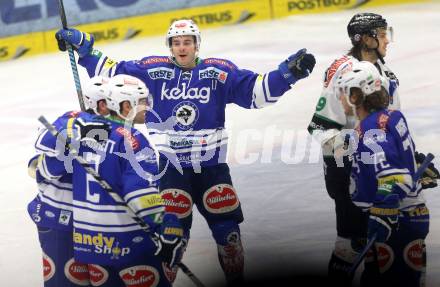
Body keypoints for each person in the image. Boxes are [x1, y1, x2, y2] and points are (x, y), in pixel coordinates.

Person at [55, 19, 316, 285]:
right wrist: (85, 50)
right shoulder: (152, 70)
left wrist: (287, 74)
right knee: (171, 236)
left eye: (187, 42)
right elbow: (113, 76)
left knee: (229, 235)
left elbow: (256, 93)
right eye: (176, 43)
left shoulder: (219, 72)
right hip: (171, 170)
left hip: (211, 168)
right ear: (170, 46)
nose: (182, 48)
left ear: (197, 45)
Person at [28, 74, 185, 287]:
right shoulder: (132, 139)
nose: (146, 107)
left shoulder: (81, 128)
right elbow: (139, 195)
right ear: (115, 104)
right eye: (141, 102)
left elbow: (42, 167)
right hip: (126, 240)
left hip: (89, 242)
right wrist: (163, 224)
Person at [306, 12, 401, 284]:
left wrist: (406, 158)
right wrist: (360, 149)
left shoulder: (386, 72)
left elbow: (390, 123)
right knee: (353, 243)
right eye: (382, 35)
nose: (387, 41)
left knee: (381, 239)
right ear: (366, 39)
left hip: (378, 166)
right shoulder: (344, 72)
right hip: (346, 168)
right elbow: (320, 128)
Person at [336, 60, 431, 287]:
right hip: (405, 216)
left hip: (396, 220)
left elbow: (390, 175)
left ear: (358, 95)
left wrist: (384, 207)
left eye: (345, 91)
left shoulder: (371, 128)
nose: (341, 98)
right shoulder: (389, 117)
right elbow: (398, 161)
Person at [27, 76, 112, 286]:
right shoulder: (72, 120)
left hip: (100, 223)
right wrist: (81, 134)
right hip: (59, 219)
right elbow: (43, 152)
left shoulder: (122, 133)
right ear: (99, 103)